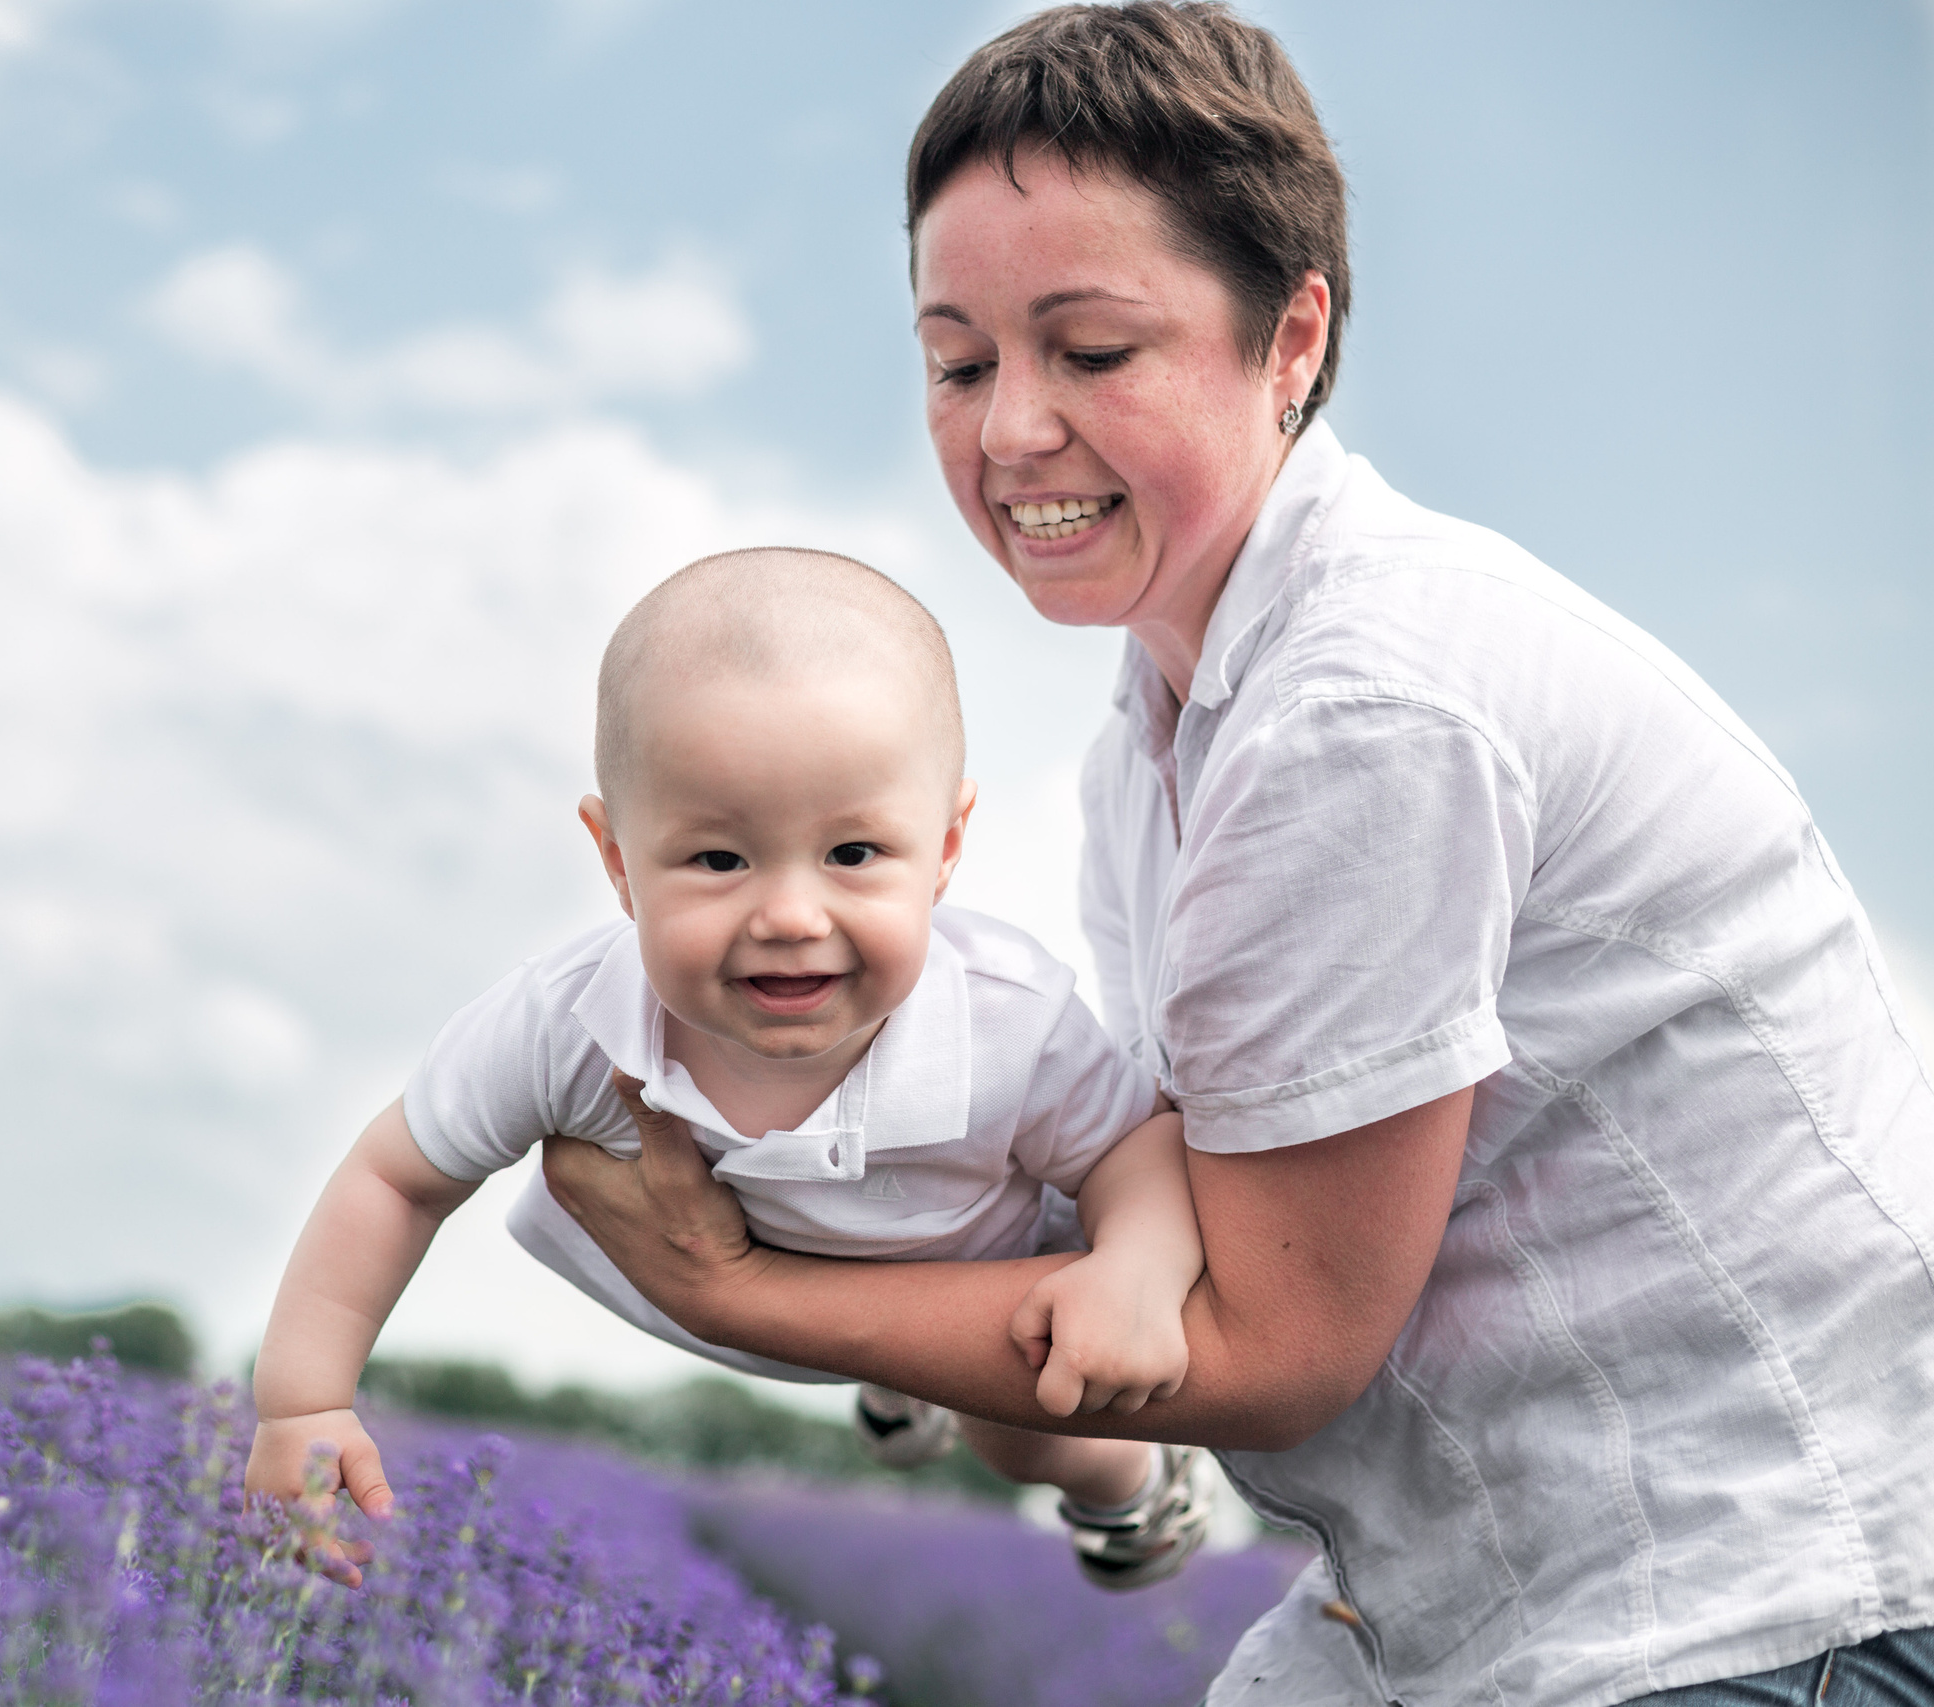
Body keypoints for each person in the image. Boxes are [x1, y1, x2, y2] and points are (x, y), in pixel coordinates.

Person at [536, 7, 1934, 1706]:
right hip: (1502, 1594)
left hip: (1766, 1600)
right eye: (961, 359)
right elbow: (1175, 1214)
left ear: (1293, 338)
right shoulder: (1165, 721)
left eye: (1095, 350)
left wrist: (731, 1284)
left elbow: (1271, 1350)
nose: (1010, 432)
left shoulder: (1362, 710)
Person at [244, 547, 1217, 1589]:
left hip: (978, 1292)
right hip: (765, 1314)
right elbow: (397, 1176)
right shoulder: (566, 1021)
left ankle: (1132, 1488)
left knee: (1023, 1433)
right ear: (617, 860)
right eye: (718, 860)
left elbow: (1134, 1149)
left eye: (852, 855)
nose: (790, 917)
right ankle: (908, 1397)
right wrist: (304, 1400)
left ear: (944, 847)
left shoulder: (1004, 1025)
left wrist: (1135, 1271)